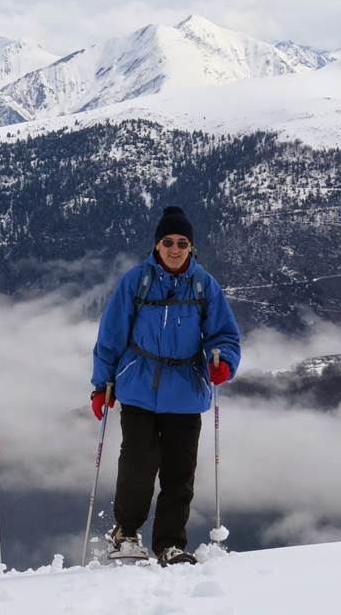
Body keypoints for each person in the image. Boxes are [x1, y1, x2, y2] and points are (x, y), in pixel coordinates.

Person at [90, 205, 241, 566]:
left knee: (179, 474)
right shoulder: (136, 281)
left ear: (192, 247)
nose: (175, 249)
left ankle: (170, 544)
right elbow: (111, 336)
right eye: (168, 241)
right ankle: (126, 532)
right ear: (157, 245)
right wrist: (101, 384)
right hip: (139, 387)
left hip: (186, 393)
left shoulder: (204, 285)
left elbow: (224, 335)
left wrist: (222, 361)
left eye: (182, 242)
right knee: (137, 465)